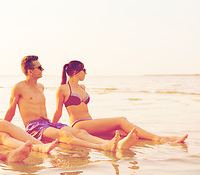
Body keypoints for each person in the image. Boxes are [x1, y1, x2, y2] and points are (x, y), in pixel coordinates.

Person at [5, 55, 139, 151]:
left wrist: (52, 124)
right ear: (29, 71)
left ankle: (114, 144)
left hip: (47, 123)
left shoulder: (41, 86)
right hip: (33, 127)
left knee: (81, 133)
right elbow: (11, 110)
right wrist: (5, 128)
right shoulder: (19, 87)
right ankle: (102, 147)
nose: (42, 69)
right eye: (39, 67)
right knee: (65, 135)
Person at [52, 60, 188, 143]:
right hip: (79, 125)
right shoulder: (63, 89)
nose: (85, 73)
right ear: (76, 72)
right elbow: (58, 111)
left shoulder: (82, 87)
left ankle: (166, 139)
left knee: (125, 133)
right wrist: (51, 129)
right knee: (121, 120)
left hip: (90, 123)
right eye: (84, 70)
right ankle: (158, 139)